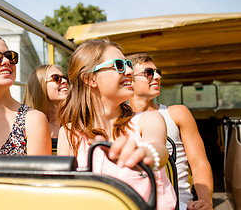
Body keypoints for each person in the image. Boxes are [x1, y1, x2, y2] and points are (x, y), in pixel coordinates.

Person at [57, 38, 176, 210]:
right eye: (119, 65)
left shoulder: (148, 120)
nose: (129, 70)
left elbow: (159, 149)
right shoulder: (68, 133)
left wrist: (145, 154)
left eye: (128, 64)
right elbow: (65, 192)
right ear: (90, 79)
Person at [127, 53, 213, 210]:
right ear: (129, 80)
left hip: (180, 204)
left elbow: (199, 163)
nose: (157, 77)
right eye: (148, 73)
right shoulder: (118, 120)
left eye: (158, 72)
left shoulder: (178, 113)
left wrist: (205, 201)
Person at [23, 64, 69, 139]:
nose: (65, 81)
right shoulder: (25, 126)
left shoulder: (79, 122)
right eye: (56, 78)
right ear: (40, 86)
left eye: (65, 77)